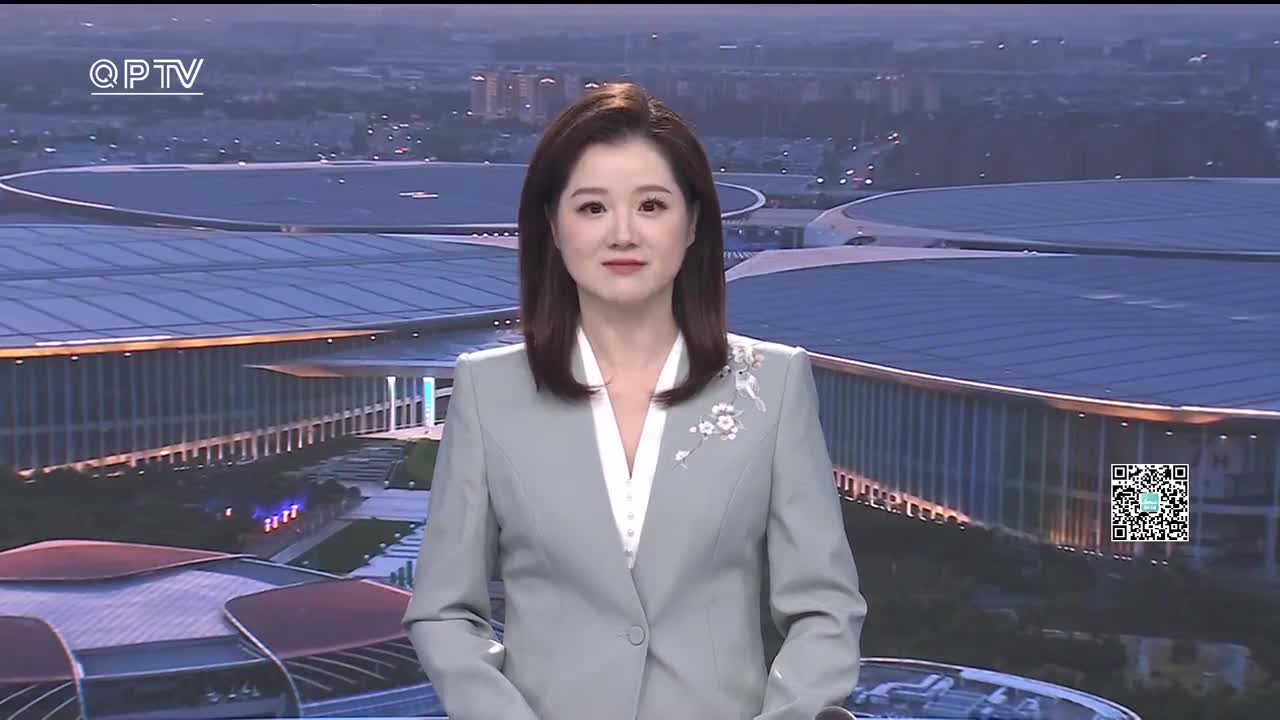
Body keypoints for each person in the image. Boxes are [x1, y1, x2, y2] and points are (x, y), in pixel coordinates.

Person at [402, 82, 867, 720]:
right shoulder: (487, 392)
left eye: (651, 205)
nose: (623, 234)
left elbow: (824, 609)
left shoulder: (774, 385)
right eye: (592, 208)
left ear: (693, 222)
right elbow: (444, 611)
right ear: (553, 226)